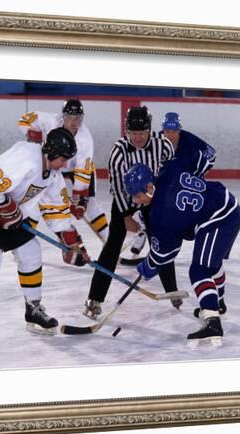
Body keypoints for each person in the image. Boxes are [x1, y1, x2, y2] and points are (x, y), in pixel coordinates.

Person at [0, 127, 91, 360]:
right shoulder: (26, 156)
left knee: (31, 253)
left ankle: (33, 310)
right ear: (51, 152)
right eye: (63, 159)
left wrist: (71, 242)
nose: (65, 164)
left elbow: (56, 211)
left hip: (8, 214)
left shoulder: (54, 177)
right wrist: (5, 207)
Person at [123, 162, 240, 347]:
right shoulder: (169, 170)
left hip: (219, 218)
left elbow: (165, 255)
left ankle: (213, 323)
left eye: (138, 195)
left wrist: (146, 268)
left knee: (199, 270)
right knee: (212, 263)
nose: (137, 201)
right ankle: (218, 306)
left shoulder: (162, 213)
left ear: (149, 186)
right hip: (227, 204)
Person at [83, 105, 179, 320]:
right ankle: (94, 299)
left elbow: (169, 176)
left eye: (141, 133)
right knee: (112, 246)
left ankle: (172, 290)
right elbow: (117, 187)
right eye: (132, 133)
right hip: (125, 198)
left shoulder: (163, 146)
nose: (137, 138)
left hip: (153, 197)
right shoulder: (118, 152)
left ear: (150, 130)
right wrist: (127, 215)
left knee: (160, 241)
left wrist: (159, 202)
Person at [18, 99, 109, 241]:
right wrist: (37, 137)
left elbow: (82, 171)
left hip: (75, 169)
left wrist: (79, 201)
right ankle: (23, 240)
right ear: (63, 117)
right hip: (53, 163)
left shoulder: (85, 139)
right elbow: (24, 119)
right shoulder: (50, 121)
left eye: (77, 118)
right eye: (69, 117)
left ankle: (109, 240)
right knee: (37, 198)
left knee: (90, 203)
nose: (74, 122)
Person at [160, 112, 217, 178]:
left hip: (188, 183)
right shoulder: (156, 141)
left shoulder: (190, 140)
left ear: (179, 131)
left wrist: (197, 175)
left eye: (174, 131)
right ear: (163, 130)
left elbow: (212, 154)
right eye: (167, 131)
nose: (170, 135)